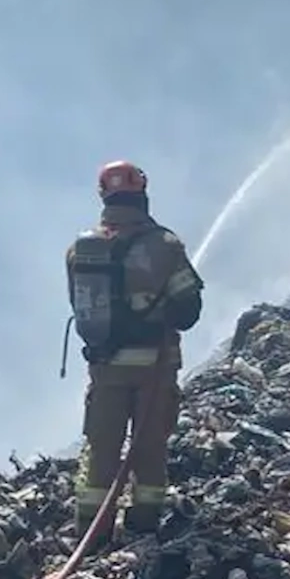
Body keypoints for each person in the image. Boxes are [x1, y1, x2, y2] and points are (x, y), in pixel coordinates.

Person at [65, 160, 204, 535]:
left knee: (102, 451)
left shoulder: (81, 250)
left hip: (106, 367)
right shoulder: (165, 245)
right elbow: (188, 311)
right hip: (155, 368)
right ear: (142, 192)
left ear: (103, 196)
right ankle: (143, 528)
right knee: (149, 450)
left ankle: (91, 535)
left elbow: (79, 308)